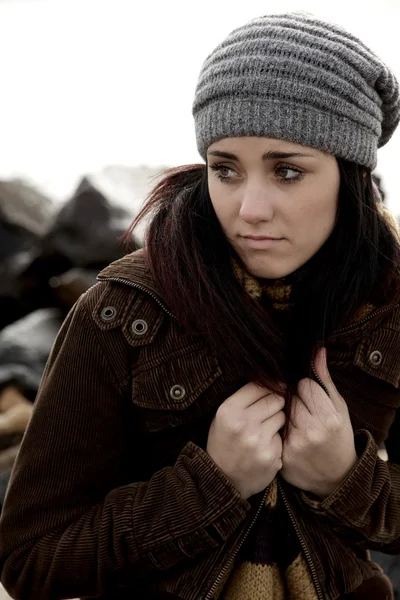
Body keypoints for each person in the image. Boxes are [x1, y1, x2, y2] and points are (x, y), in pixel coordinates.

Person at [0, 11, 399, 600]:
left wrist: (348, 480)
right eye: (225, 170)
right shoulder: (123, 314)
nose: (249, 208)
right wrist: (207, 487)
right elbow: (31, 562)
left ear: (350, 174)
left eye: (287, 170)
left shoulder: (387, 312)